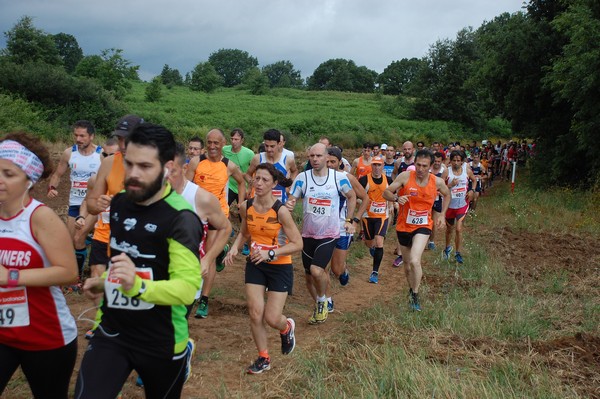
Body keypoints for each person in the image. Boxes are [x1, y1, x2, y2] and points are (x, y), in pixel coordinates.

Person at [76, 123, 202, 399]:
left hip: (161, 340)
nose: (132, 174)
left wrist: (138, 287)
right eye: (129, 164)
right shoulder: (120, 202)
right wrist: (104, 282)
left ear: (167, 167)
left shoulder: (182, 219)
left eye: (144, 167)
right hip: (112, 330)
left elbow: (187, 289)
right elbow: (124, 262)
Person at [0, 132, 78, 399]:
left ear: (29, 180)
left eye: (9, 174)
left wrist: (10, 276)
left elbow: (69, 273)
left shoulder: (39, 217)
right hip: (3, 334)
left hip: (46, 337)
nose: (0, 179)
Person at [225, 163, 302, 374]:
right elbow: (244, 233)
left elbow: (297, 243)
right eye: (256, 178)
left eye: (265, 180)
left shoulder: (281, 211)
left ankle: (286, 327)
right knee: (255, 312)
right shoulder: (246, 206)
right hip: (256, 265)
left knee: (271, 317)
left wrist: (272, 253)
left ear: (274, 184)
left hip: (279, 267)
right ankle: (263, 357)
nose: (258, 183)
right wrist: (234, 248)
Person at [286, 143, 357, 324]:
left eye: (318, 156)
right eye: (312, 156)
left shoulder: (337, 178)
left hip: (329, 234)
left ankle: (323, 301)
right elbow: (292, 198)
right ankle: (320, 303)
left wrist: (349, 221)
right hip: (308, 234)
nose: (315, 159)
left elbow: (352, 196)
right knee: (309, 277)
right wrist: (290, 204)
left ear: (326, 157)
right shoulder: (303, 178)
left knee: (316, 270)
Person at [185, 128, 246, 318]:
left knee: (208, 255)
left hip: (217, 215)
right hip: (196, 214)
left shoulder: (229, 166)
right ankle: (222, 251)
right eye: (209, 142)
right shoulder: (196, 162)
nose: (212, 146)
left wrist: (241, 203)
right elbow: (185, 187)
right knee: (193, 252)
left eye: (216, 143)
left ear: (223, 144)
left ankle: (204, 298)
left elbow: (242, 182)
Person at [168, 142, 231, 318]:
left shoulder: (201, 198)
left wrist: (207, 259)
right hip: (154, 275)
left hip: (186, 276)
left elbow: (226, 227)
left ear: (185, 168)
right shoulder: (151, 194)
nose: (166, 176)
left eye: (171, 170)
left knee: (171, 332)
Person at [383, 149, 450, 311]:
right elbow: (386, 192)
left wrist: (441, 214)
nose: (420, 169)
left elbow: (447, 195)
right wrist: (397, 198)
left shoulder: (437, 182)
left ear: (431, 166)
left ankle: (415, 293)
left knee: (414, 260)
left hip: (423, 225)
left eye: (424, 166)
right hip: (404, 225)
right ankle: (411, 288)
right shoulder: (405, 176)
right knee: (407, 265)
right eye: (418, 165)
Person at [47, 120, 102, 281]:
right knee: (73, 242)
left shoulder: (101, 154)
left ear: (91, 136)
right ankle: (87, 247)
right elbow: (57, 175)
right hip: (75, 203)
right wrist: (52, 188)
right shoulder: (69, 153)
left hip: (93, 205)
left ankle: (76, 280)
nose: (78, 139)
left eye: (82, 136)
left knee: (78, 238)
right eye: (76, 135)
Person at [324, 147, 369, 312]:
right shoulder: (316, 178)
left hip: (342, 229)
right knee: (323, 267)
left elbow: (365, 198)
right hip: (322, 230)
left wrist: (355, 221)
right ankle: (327, 300)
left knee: (336, 269)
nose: (328, 165)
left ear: (340, 163)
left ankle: (343, 271)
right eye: (326, 161)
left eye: (332, 162)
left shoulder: (347, 178)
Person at [359, 156, 393, 284]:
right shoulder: (364, 180)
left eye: (379, 165)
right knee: (369, 243)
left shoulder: (388, 180)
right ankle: (373, 249)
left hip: (382, 216)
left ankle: (375, 272)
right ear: (371, 166)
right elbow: (358, 195)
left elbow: (392, 193)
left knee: (379, 242)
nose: (377, 168)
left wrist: (391, 204)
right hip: (368, 216)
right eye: (374, 165)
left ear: (383, 166)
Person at [246, 129, 298, 204]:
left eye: (272, 146)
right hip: (260, 200)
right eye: (266, 146)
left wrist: (290, 185)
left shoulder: (287, 160)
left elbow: (295, 171)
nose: (269, 149)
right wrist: (253, 183)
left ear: (279, 144)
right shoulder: (257, 158)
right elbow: (247, 174)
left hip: (279, 201)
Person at [443, 150, 477, 264]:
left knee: (458, 229)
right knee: (449, 230)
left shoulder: (466, 171)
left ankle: (458, 253)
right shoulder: (446, 172)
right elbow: (440, 188)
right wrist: (450, 185)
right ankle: (447, 248)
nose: (456, 163)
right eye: (454, 160)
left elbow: (474, 180)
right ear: (450, 161)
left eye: (458, 161)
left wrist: (472, 190)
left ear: (462, 161)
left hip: (462, 204)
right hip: (449, 206)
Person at [221, 128, 254, 210]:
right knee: (223, 209)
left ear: (242, 140)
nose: (233, 141)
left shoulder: (249, 154)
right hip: (230, 185)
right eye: (232, 139)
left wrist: (250, 189)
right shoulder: (225, 150)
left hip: (243, 186)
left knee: (244, 212)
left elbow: (254, 172)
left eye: (236, 139)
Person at [428, 152, 448, 250]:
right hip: (426, 198)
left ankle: (431, 241)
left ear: (442, 162)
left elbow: (443, 186)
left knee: (434, 222)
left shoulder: (444, 171)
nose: (437, 163)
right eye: (435, 161)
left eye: (439, 161)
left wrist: (440, 192)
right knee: (425, 220)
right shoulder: (428, 169)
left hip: (437, 199)